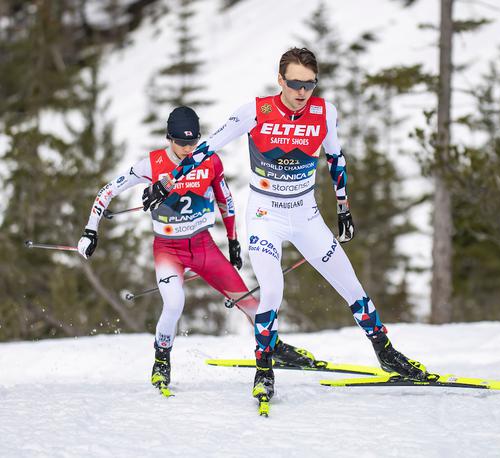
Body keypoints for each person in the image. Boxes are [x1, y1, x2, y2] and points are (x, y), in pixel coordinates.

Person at [141, 48, 427, 403]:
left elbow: (336, 158)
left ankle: (387, 354)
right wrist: (167, 183)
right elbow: (205, 149)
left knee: (351, 285)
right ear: (281, 80)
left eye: (309, 84)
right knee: (272, 290)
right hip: (265, 217)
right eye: (294, 84)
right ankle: (264, 371)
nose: (301, 92)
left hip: (306, 216)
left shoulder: (325, 113)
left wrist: (343, 209)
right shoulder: (256, 111)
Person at [77, 106, 316, 392]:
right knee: (175, 303)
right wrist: (91, 230)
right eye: (181, 143)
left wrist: (233, 241)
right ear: (169, 138)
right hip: (168, 250)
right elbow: (106, 192)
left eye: (193, 142)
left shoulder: (209, 160)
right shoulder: (151, 164)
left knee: (252, 304)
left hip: (204, 247)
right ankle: (161, 362)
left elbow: (225, 199)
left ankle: (273, 347)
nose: (188, 149)